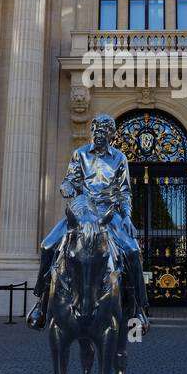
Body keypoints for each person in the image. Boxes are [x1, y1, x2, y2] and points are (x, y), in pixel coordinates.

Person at [28, 114, 151, 332]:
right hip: (82, 213)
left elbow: (124, 193)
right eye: (96, 131)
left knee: (133, 253)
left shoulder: (119, 158)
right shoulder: (80, 154)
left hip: (108, 216)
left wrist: (127, 218)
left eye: (103, 132)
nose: (98, 135)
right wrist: (66, 187)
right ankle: (41, 302)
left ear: (111, 135)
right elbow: (70, 180)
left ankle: (138, 308)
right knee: (47, 246)